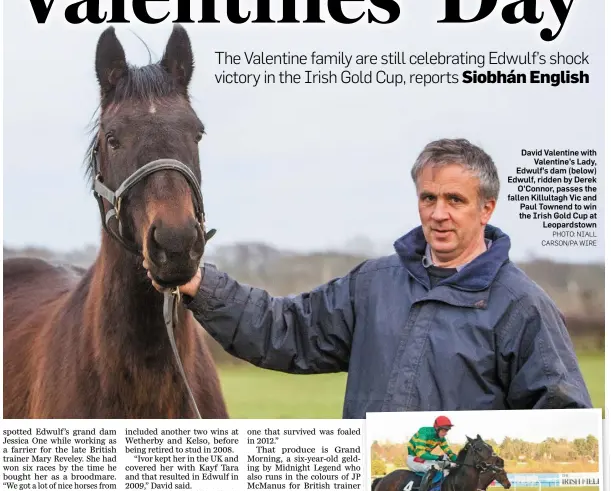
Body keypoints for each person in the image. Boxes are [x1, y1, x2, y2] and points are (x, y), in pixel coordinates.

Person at [145, 138, 593, 417]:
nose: (438, 213)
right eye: (428, 197)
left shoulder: (521, 304)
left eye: (455, 200)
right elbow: (286, 331)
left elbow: (562, 417)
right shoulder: (375, 284)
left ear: (487, 208)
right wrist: (200, 284)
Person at [400, 415, 458, 491]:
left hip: (426, 459)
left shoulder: (441, 438)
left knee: (449, 464)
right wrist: (438, 457)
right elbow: (421, 453)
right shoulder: (423, 432)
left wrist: (460, 460)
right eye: (444, 430)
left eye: (447, 430)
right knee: (434, 466)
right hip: (414, 458)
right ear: (437, 428)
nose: (446, 433)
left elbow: (449, 453)